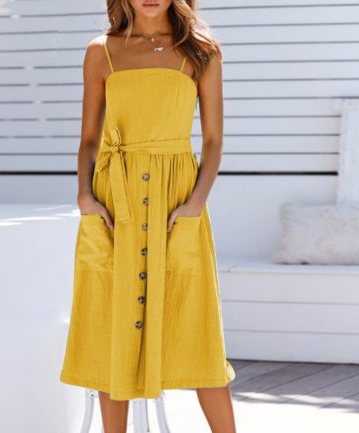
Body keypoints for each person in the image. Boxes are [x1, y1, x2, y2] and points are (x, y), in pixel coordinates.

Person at [60, 1, 237, 432]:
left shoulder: (201, 51)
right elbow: (89, 138)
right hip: (113, 200)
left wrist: (196, 202)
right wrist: (84, 195)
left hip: (177, 199)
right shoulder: (101, 51)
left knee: (196, 326)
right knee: (111, 325)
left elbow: (213, 140)